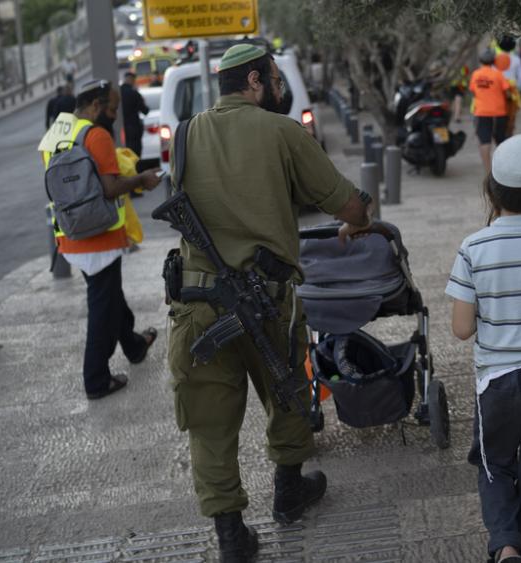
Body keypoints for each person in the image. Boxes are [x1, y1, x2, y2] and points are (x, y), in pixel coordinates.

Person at [165, 44, 374, 563]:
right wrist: (359, 221)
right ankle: (287, 491)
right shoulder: (283, 132)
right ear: (256, 81)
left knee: (209, 425)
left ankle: (232, 538)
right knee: (287, 393)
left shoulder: (186, 134)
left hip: (197, 306)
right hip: (266, 302)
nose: (281, 90)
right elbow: (348, 204)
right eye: (277, 81)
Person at [447, 134, 521, 563]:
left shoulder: (474, 247)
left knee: (495, 464)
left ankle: (506, 545)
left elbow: (462, 329)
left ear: (491, 189)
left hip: (497, 382)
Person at [41, 80, 162, 400]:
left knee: (109, 297)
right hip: (101, 236)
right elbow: (110, 189)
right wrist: (142, 180)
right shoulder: (96, 135)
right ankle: (96, 379)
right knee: (102, 311)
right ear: (95, 106)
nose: (114, 114)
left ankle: (135, 346)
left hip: (71, 235)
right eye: (112, 108)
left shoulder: (56, 133)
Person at [469, 49, 510, 175]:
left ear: (480, 60)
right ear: (493, 61)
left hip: (482, 112)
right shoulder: (498, 74)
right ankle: (502, 170)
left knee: (484, 142)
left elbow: (473, 90)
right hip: (499, 112)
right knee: (501, 141)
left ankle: (488, 172)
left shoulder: (475, 74)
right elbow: (507, 92)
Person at [119, 72, 149, 157]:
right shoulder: (134, 93)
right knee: (135, 155)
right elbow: (145, 111)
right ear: (132, 80)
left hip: (122, 129)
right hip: (134, 129)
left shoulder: (118, 92)